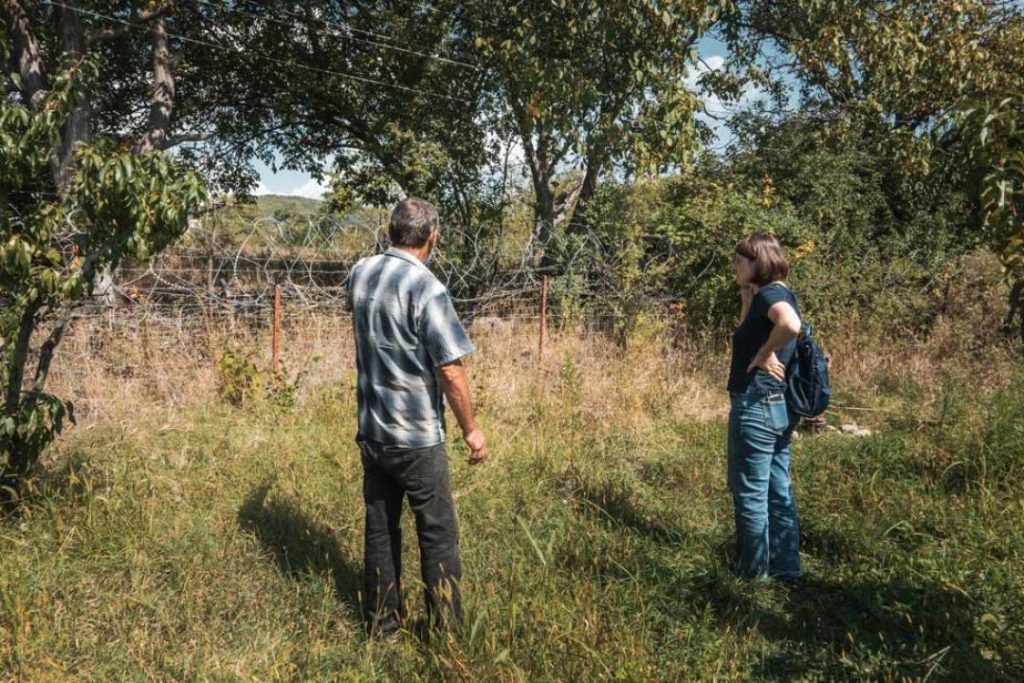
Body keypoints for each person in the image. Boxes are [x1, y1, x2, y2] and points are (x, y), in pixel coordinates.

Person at [346, 197, 487, 635]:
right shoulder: (427, 288)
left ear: (391, 232)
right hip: (418, 438)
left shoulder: (360, 274)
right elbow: (450, 368)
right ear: (432, 236)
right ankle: (446, 632)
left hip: (373, 431)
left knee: (381, 531)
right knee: (438, 534)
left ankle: (382, 625)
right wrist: (472, 430)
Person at [726, 233, 803, 582]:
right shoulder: (768, 295)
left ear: (760, 262)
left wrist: (765, 353)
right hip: (775, 407)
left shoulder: (772, 294)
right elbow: (748, 336)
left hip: (756, 406)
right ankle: (786, 569)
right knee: (777, 489)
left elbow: (790, 325)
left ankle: (752, 574)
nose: (735, 265)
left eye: (741, 260)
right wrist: (746, 303)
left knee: (750, 492)